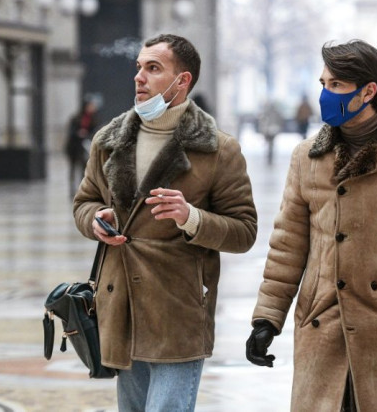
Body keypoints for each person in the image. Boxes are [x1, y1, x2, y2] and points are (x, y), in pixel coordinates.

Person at [246, 39, 377, 412]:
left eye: (336, 86)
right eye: (323, 84)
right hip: (321, 322)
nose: (325, 95)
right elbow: (287, 244)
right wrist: (267, 317)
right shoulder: (306, 158)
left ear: (369, 92)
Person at [73, 34, 258, 411]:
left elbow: (244, 231)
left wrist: (192, 218)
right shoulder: (108, 140)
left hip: (179, 312)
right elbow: (84, 202)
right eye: (138, 67)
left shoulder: (218, 149)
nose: (139, 77)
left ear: (182, 81)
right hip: (121, 309)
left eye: (153, 68)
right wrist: (95, 218)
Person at [65, 99, 98, 195]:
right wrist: (78, 133)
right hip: (74, 146)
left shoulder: (94, 119)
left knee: (84, 168)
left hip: (84, 146)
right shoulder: (76, 118)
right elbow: (71, 131)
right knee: (73, 167)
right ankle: (72, 188)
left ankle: (83, 187)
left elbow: (95, 131)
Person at [257, 100, 285, 165]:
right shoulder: (276, 112)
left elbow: (262, 120)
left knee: (269, 141)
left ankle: (270, 151)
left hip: (268, 129)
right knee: (271, 141)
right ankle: (270, 151)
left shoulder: (266, 112)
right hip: (273, 129)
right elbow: (280, 121)